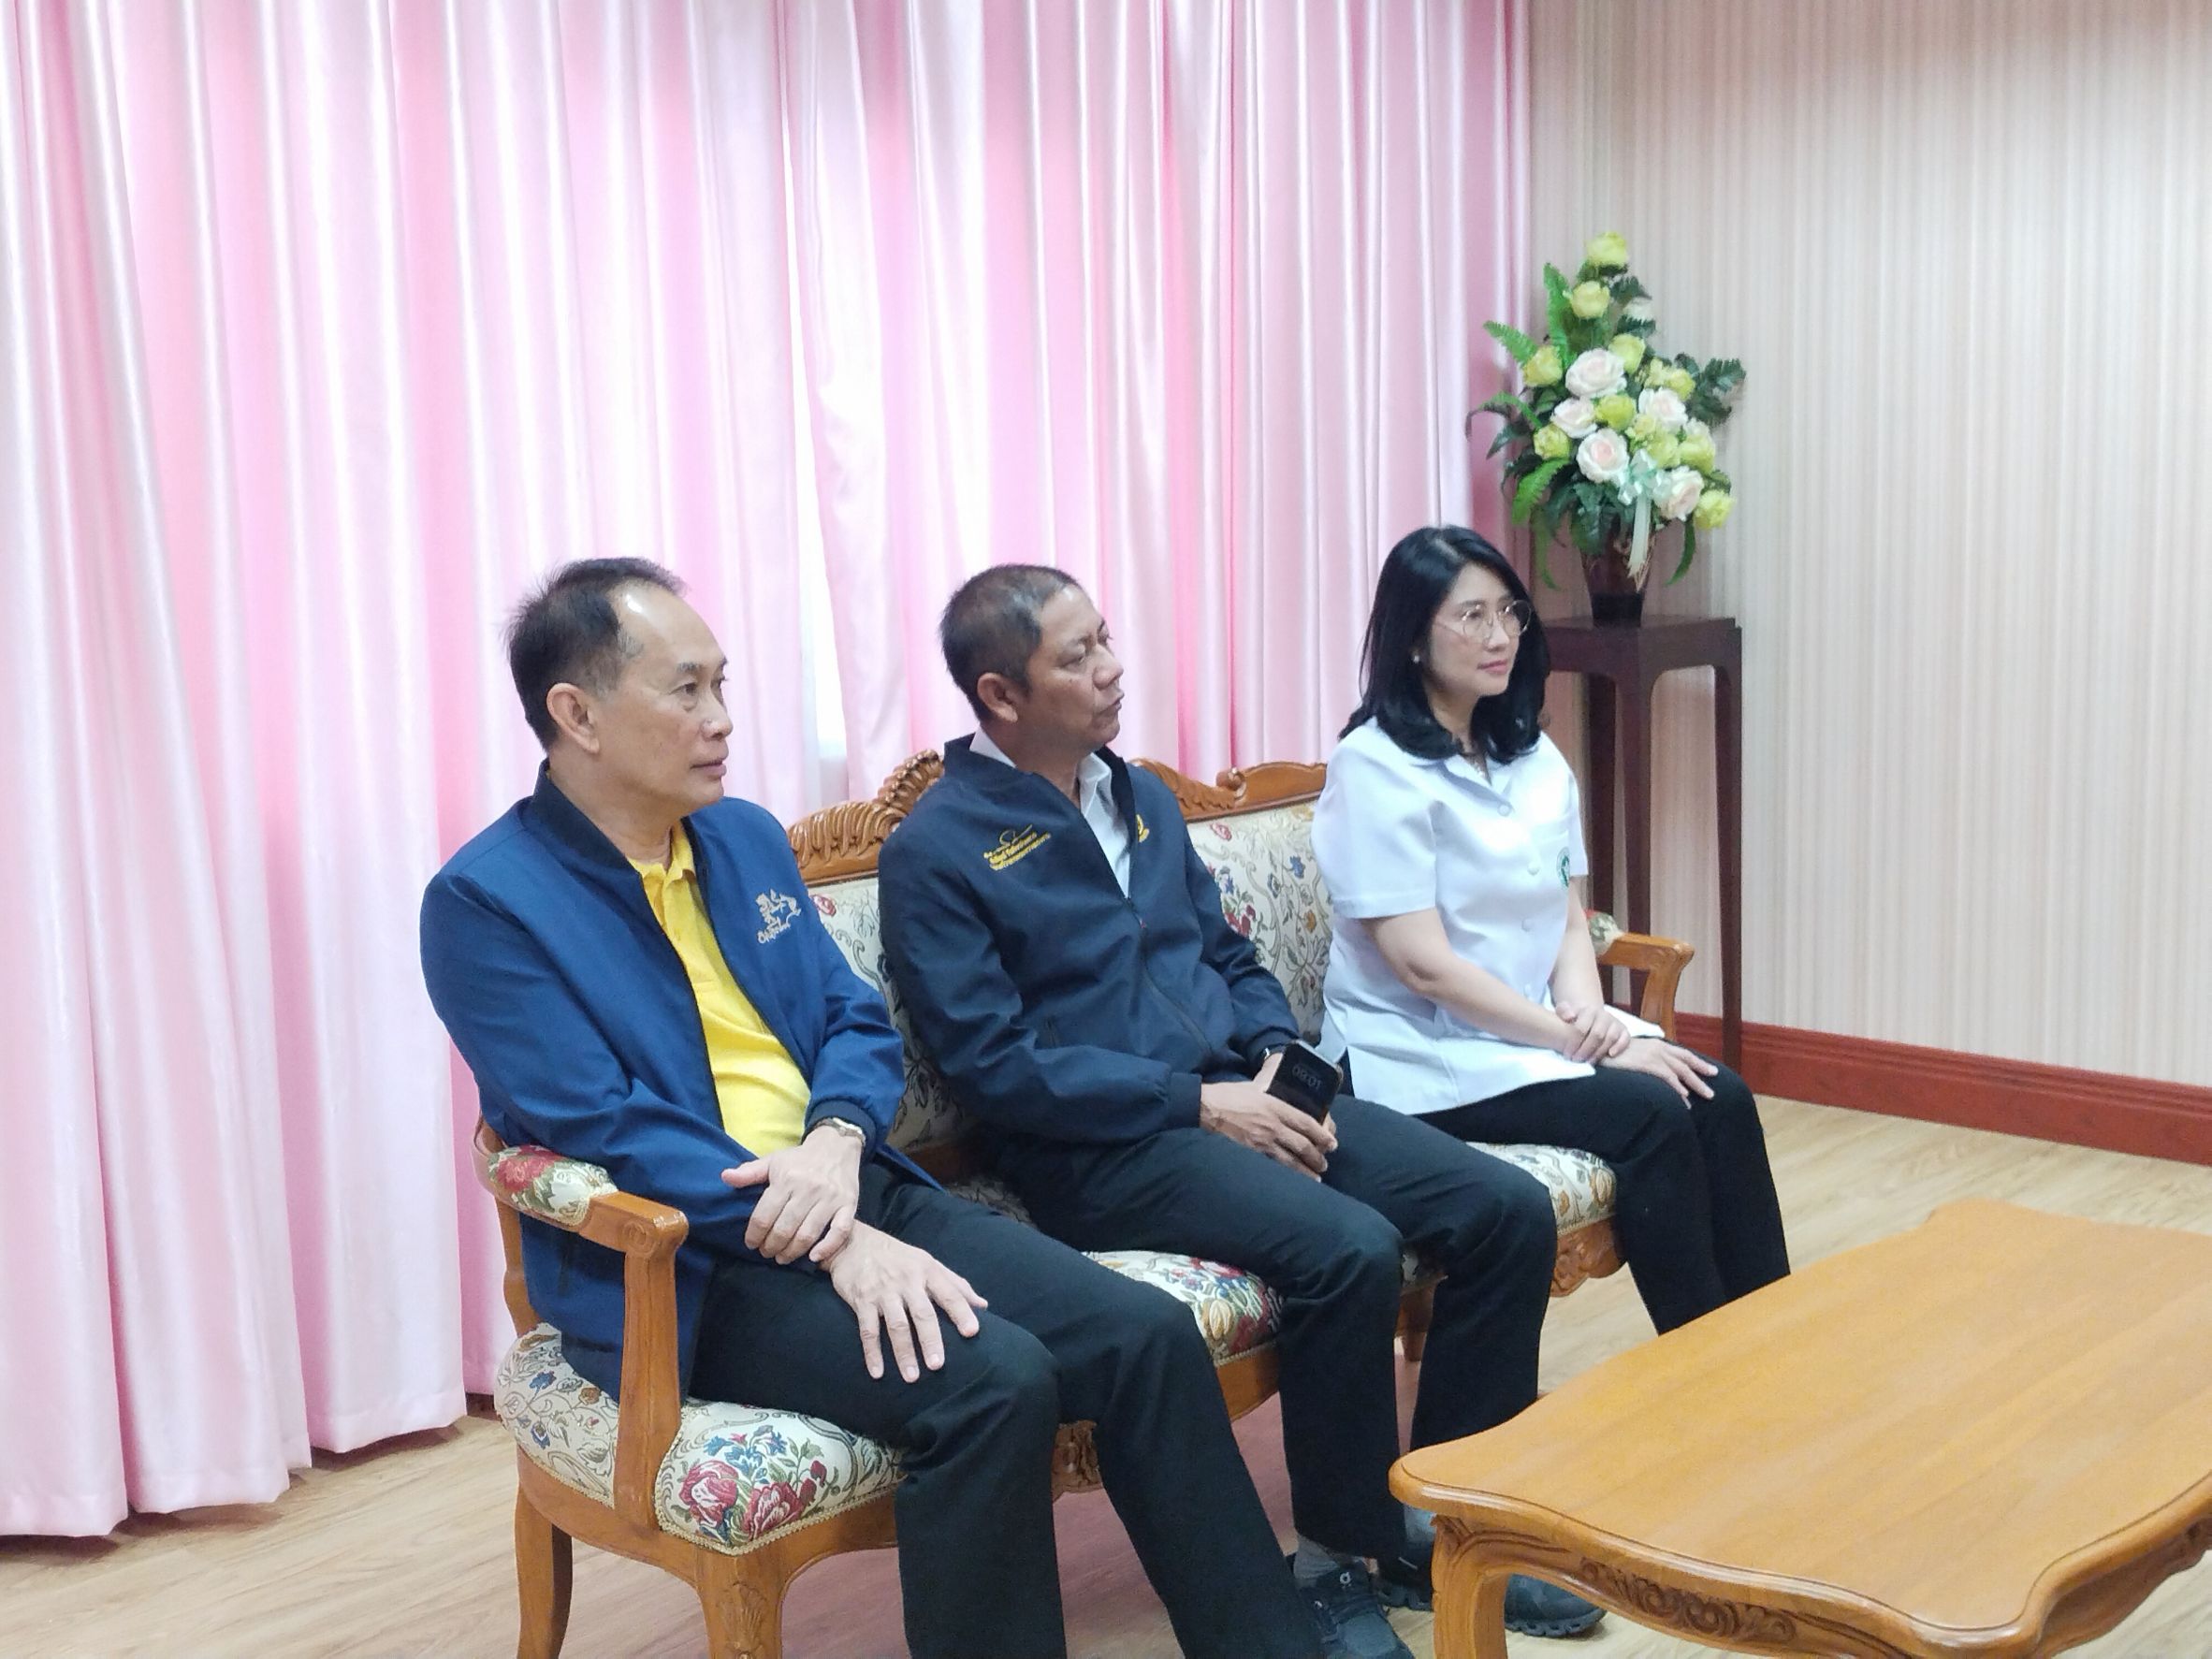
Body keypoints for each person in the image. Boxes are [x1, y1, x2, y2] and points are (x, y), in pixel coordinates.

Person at [419, 559, 1317, 1659]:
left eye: (722, 684)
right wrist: (832, 1238)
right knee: (994, 1384)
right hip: (692, 1267)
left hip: (851, 1181)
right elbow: (606, 1126)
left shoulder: (741, 837)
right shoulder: (487, 903)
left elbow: (850, 1017)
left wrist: (842, 1138)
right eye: (687, 690)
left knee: (1143, 1336)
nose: (722, 718)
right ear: (577, 714)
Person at [878, 564, 1608, 1659]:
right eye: (1078, 656)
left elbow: (1225, 953)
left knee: (1502, 1211)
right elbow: (997, 1065)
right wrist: (1197, 1102)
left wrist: (1273, 1052)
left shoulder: (1138, 796)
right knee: (1348, 1250)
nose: (1113, 668)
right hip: (1104, 1148)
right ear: (1000, 695)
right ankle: (1335, 1559)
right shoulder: (938, 849)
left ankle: (1446, 1525)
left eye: (1106, 638)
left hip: (1241, 1092)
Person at [1313, 525, 1791, 1338]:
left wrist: (1590, 1016)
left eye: (1510, 612)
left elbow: (1567, 913)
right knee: (1650, 1112)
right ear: (1414, 639)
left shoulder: (1528, 753)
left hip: (1530, 1032)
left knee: (1721, 1095)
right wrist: (1578, 1041)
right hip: (1422, 1057)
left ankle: (1772, 1340)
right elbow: (1424, 968)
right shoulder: (1374, 767)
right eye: (1471, 616)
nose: (1499, 635)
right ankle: (1706, 1364)